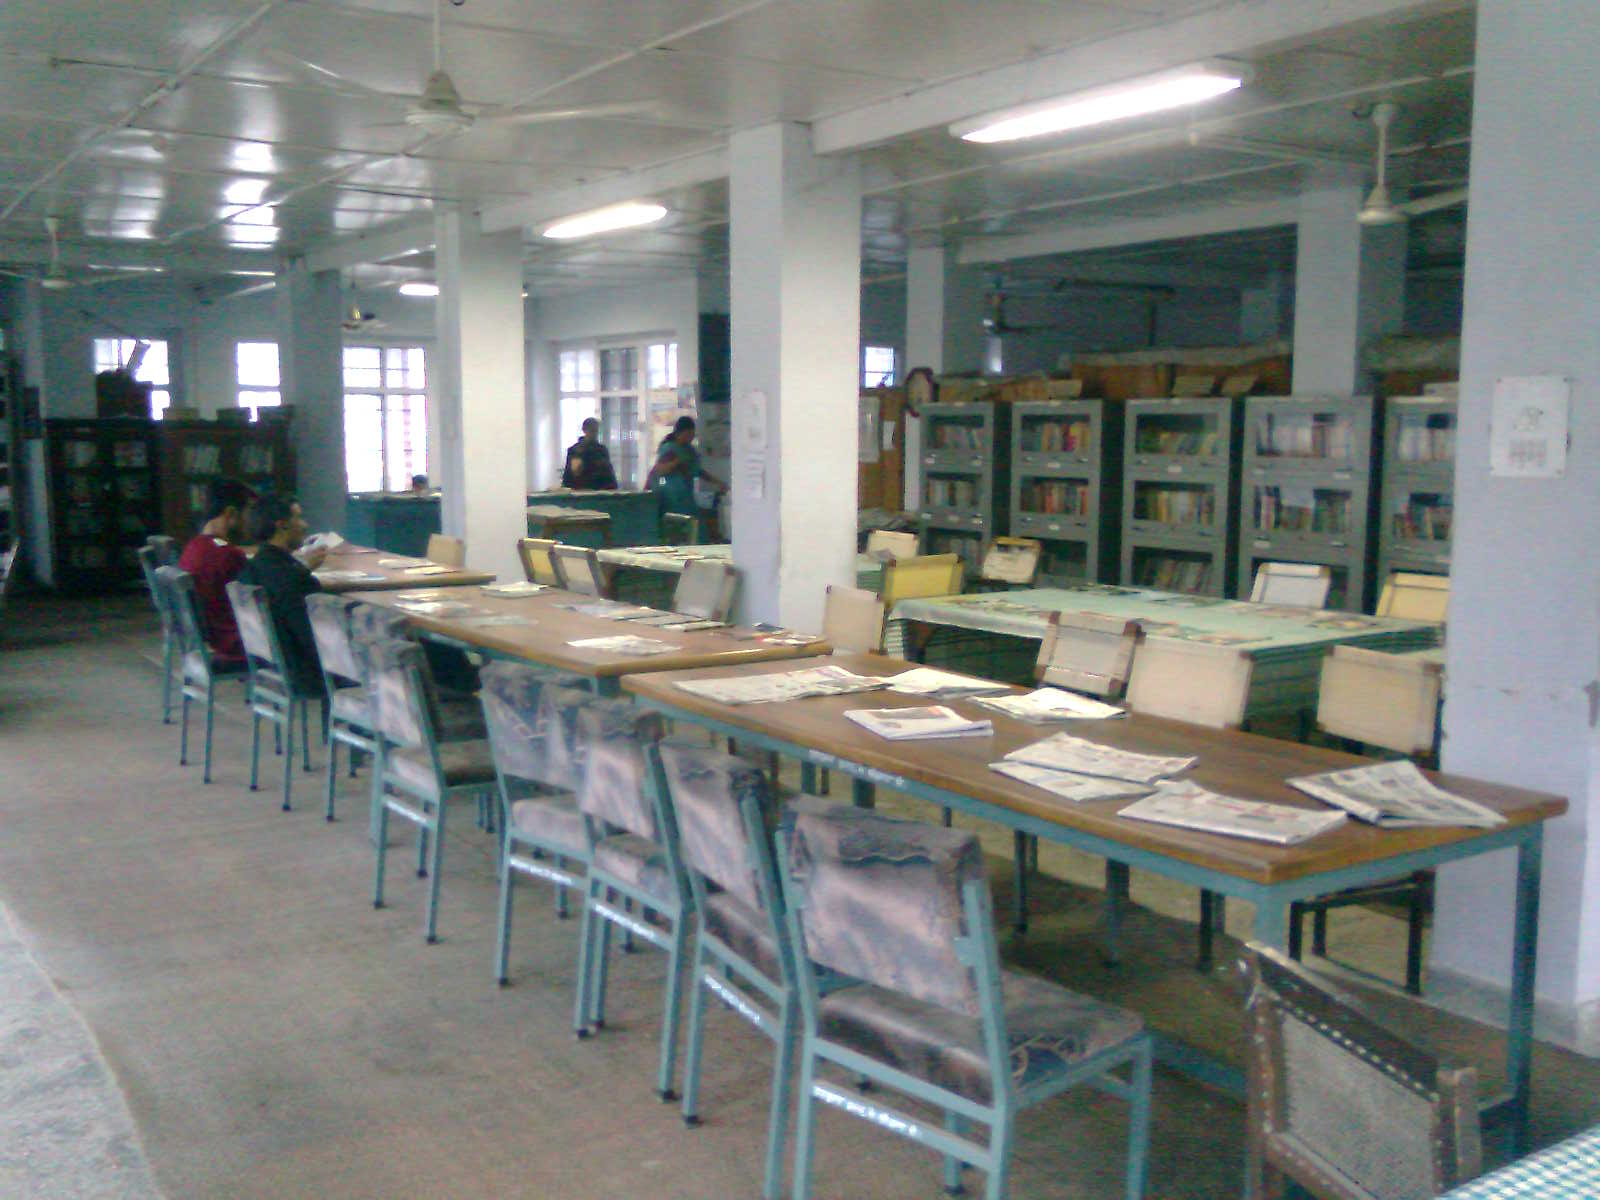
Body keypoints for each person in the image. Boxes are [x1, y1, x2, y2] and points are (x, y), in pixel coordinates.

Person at [236, 495, 325, 695]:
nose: (305, 525)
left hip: (271, 665)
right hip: (304, 671)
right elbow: (312, 637)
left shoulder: (252, 569)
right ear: (282, 525)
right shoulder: (294, 579)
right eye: (299, 518)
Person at [177, 478, 257, 662]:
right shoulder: (229, 555)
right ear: (230, 513)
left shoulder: (194, 547)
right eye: (248, 513)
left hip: (211, 638)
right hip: (235, 642)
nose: (250, 521)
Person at [646, 416, 726, 535]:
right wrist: (676, 462)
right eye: (689, 434)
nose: (691, 438)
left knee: (694, 526)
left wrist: (718, 483)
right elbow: (660, 470)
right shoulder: (669, 448)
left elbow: (697, 471)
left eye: (693, 435)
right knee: (676, 528)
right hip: (669, 497)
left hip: (685, 497)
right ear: (681, 432)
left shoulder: (690, 450)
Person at [561, 418, 619, 490]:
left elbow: (608, 474)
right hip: (580, 491)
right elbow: (569, 475)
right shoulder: (575, 451)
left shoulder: (601, 450)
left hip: (599, 491)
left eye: (596, 431)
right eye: (592, 430)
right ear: (584, 430)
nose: (594, 434)